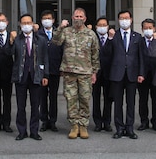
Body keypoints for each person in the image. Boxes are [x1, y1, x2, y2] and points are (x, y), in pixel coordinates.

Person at [52, 8, 100, 139]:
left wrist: (94, 72)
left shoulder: (91, 34)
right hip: (69, 72)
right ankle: (74, 126)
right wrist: (60, 27)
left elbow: (95, 54)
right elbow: (56, 42)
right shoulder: (66, 32)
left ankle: (83, 125)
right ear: (72, 18)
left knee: (84, 99)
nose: (78, 18)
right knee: (71, 99)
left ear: (85, 18)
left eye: (81, 16)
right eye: (76, 16)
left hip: (85, 73)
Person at [105, 10, 145, 139]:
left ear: (131, 20)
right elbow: (106, 54)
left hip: (132, 74)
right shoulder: (113, 35)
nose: (124, 20)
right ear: (118, 20)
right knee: (118, 103)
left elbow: (141, 57)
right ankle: (119, 128)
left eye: (126, 18)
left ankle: (129, 128)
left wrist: (141, 73)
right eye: (121, 18)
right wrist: (109, 39)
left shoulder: (137, 37)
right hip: (117, 74)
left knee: (131, 103)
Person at [11, 13, 49, 141]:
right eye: (24, 23)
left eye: (29, 23)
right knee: (21, 106)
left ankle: (34, 131)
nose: (26, 25)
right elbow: (9, 55)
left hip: (36, 76)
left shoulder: (41, 39)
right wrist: (10, 42)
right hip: (21, 76)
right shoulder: (17, 39)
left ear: (33, 24)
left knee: (35, 105)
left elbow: (45, 58)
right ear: (20, 25)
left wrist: (45, 75)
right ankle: (22, 131)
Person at [37, 10, 63, 132]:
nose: (46, 20)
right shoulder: (38, 33)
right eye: (44, 18)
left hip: (54, 69)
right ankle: (44, 120)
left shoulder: (59, 33)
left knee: (53, 96)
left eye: (49, 18)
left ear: (53, 20)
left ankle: (53, 121)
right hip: (41, 71)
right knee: (42, 96)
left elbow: (63, 51)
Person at [137, 18, 156, 132]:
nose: (148, 30)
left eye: (150, 28)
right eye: (145, 28)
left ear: (154, 29)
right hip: (142, 74)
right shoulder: (139, 42)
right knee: (143, 99)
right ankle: (144, 121)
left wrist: (155, 40)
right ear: (142, 29)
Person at [91, 16, 113, 132]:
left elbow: (111, 53)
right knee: (96, 98)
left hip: (109, 73)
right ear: (96, 27)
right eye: (100, 25)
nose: (102, 27)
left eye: (104, 25)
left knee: (108, 98)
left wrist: (110, 39)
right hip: (95, 73)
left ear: (108, 26)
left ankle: (107, 121)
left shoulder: (112, 38)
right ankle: (98, 122)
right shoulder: (93, 38)